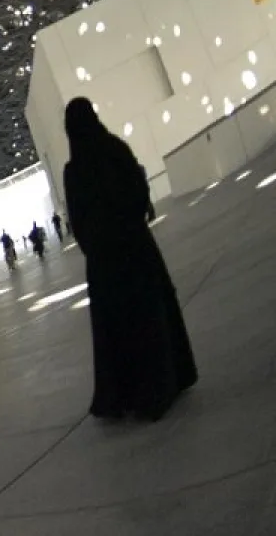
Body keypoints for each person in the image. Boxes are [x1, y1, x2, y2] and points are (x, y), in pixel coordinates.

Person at [63, 97, 197, 421]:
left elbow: (77, 218)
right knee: (150, 315)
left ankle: (127, 394)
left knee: (118, 327)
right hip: (136, 248)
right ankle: (165, 383)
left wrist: (94, 246)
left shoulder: (74, 169)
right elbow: (138, 190)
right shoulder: (114, 149)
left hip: (104, 261)